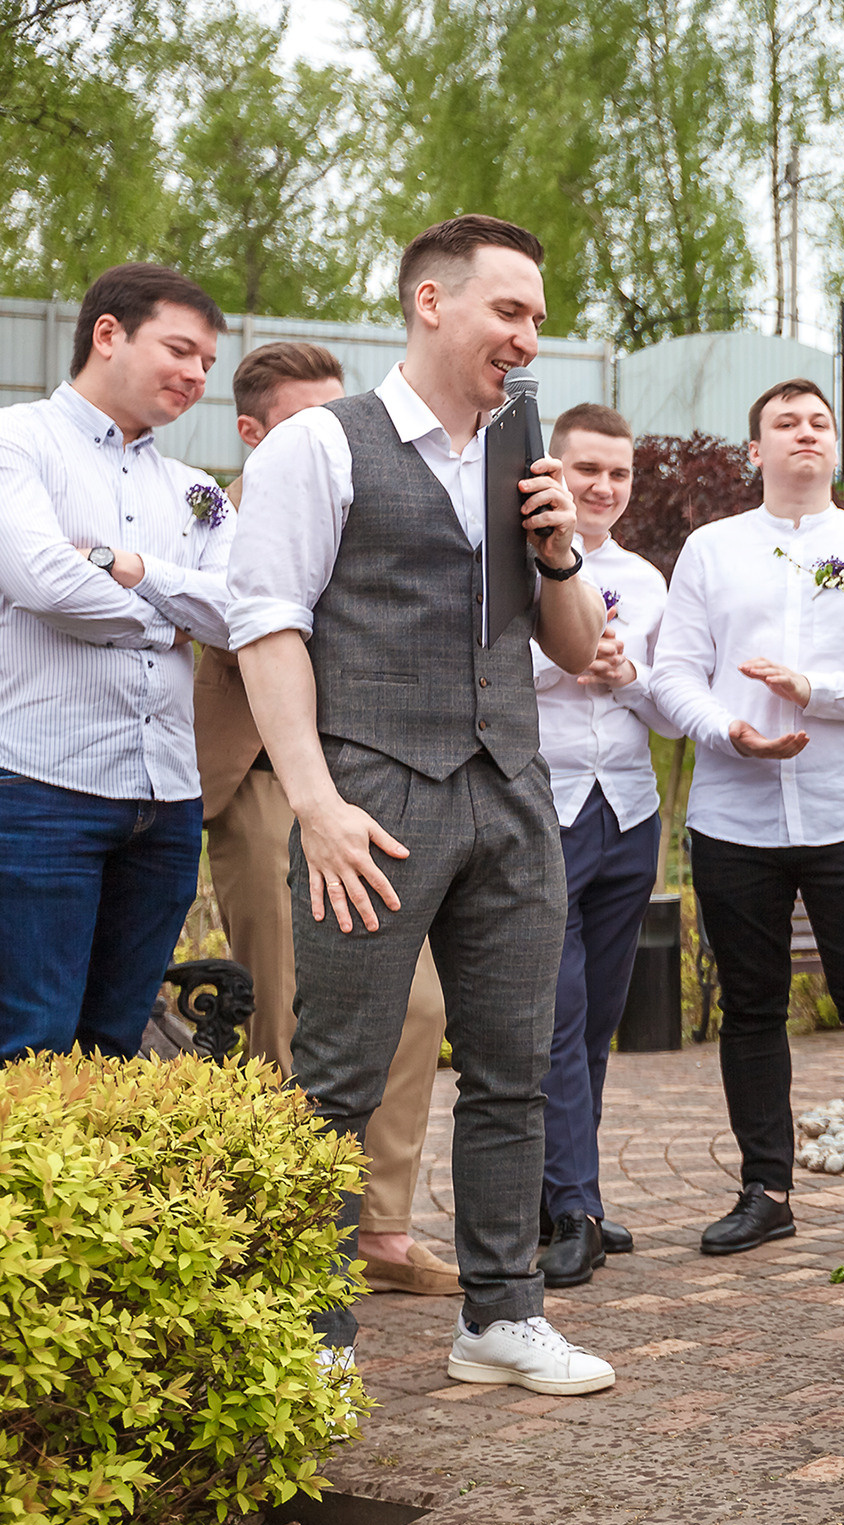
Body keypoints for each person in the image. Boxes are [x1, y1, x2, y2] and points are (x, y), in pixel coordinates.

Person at [230, 213, 615, 1394]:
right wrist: (316, 802)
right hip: (373, 792)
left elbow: (576, 647)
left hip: (509, 787)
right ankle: (308, 1333)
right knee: (337, 1074)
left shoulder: (523, 454)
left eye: (540, 319)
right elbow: (268, 625)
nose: (529, 340)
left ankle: (501, 1314)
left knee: (513, 1065)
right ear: (432, 303)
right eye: (511, 311)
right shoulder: (321, 448)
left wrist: (558, 552)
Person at [195, 339, 459, 1296]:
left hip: (366, 787)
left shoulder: (368, 487)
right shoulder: (213, 513)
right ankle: (290, 1233)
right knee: (278, 1004)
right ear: (254, 432)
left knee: (420, 1002)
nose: (338, 437)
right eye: (311, 421)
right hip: (260, 784)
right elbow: (240, 620)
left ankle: (379, 1229)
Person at [647, 378, 844, 1257]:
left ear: (837, 446)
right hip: (734, 817)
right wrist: (728, 730)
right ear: (754, 451)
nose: (805, 432)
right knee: (750, 1007)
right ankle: (767, 1190)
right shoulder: (711, 550)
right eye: (784, 423)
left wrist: (818, 694)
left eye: (820, 421)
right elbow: (673, 673)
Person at [0, 263, 232, 1060]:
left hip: (168, 799)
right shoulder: (16, 440)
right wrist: (171, 623)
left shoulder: (196, 489)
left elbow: (241, 614)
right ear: (108, 334)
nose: (199, 375)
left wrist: (128, 568)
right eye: (181, 350)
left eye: (208, 362)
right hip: (40, 789)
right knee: (31, 1040)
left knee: (117, 1046)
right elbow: (44, 580)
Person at [531, 402, 678, 1287]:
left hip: (626, 809)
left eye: (618, 472)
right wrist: (570, 657)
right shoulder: (515, 564)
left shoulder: (645, 579)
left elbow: (667, 706)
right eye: (587, 469)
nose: (603, 486)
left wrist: (632, 679)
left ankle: (566, 1195)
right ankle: (572, 1206)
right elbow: (504, 669)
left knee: (598, 1017)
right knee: (556, 1011)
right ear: (554, 468)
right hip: (541, 804)